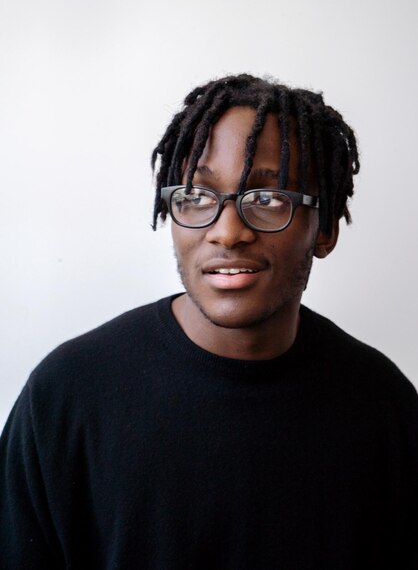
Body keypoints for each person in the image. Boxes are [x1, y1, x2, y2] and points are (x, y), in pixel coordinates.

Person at [1, 74, 417, 569]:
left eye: (266, 199)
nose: (227, 232)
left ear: (323, 229)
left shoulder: (383, 407)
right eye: (197, 196)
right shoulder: (68, 394)